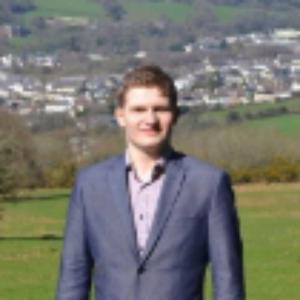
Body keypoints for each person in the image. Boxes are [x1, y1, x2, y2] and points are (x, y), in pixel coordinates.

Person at [56, 64, 245, 300]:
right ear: (120, 116)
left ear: (174, 115)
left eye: (160, 109)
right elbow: (73, 276)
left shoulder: (208, 184)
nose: (150, 119)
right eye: (138, 110)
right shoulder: (90, 184)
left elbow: (228, 280)